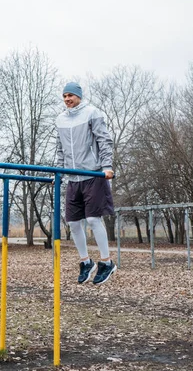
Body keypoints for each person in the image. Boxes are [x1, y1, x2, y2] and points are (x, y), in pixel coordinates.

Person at [55, 82, 116, 285]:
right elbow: (60, 149)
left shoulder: (92, 113)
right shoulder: (60, 119)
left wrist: (106, 166)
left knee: (92, 219)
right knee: (72, 222)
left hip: (92, 174)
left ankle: (106, 262)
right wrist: (58, 172)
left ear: (79, 96)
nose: (67, 99)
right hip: (73, 177)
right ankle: (85, 261)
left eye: (70, 95)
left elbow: (104, 140)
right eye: (64, 96)